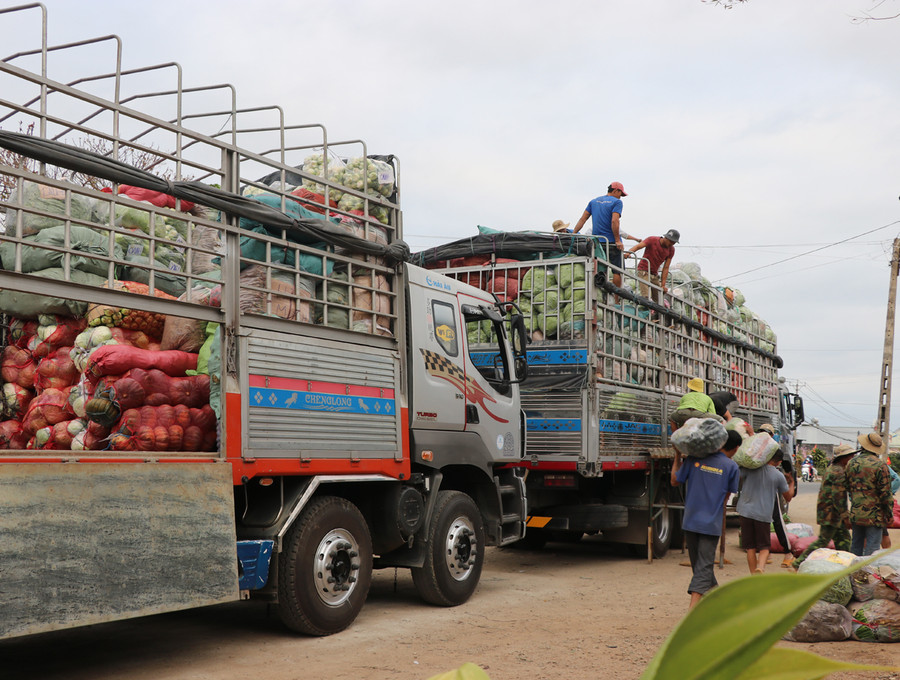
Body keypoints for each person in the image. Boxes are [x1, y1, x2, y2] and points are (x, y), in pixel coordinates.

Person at [671, 420, 740, 609]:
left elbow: (674, 481)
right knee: (702, 567)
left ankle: (697, 608)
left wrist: (677, 457)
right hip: (711, 524)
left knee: (700, 566)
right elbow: (726, 499)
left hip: (691, 521)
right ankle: (709, 605)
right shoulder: (731, 467)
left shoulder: (693, 460)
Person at [792, 443, 855, 570]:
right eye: (851, 456)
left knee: (844, 541)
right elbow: (838, 497)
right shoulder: (838, 472)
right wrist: (845, 516)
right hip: (831, 513)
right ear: (844, 458)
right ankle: (799, 562)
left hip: (831, 512)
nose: (852, 459)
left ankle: (846, 566)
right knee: (823, 541)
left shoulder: (834, 468)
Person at [736, 449, 794, 574]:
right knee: (764, 547)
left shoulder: (751, 469)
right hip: (762, 514)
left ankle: (753, 575)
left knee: (750, 548)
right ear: (778, 462)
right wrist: (791, 482)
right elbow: (788, 497)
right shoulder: (778, 475)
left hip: (744, 512)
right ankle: (760, 568)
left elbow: (738, 476)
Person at [572, 181, 628, 289]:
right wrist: (617, 240)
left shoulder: (593, 201)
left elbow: (582, 219)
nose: (620, 197)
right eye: (620, 194)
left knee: (600, 269)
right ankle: (616, 301)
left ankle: (600, 297)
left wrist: (573, 235)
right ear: (616, 191)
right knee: (618, 271)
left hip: (597, 243)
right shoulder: (617, 202)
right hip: (611, 243)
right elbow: (615, 221)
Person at [846, 432, 894, 556]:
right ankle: (867, 574)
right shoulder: (880, 465)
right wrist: (889, 513)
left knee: (856, 546)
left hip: (856, 513)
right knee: (872, 550)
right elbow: (885, 493)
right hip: (875, 516)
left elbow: (847, 487)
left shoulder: (851, 463)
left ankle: (853, 574)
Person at [624, 229, 679, 306]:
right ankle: (645, 314)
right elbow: (638, 246)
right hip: (644, 271)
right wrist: (628, 252)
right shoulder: (652, 240)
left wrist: (663, 285)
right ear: (666, 238)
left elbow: (666, 267)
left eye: (674, 243)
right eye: (671, 242)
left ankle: (656, 316)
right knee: (646, 296)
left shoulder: (671, 250)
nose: (671, 244)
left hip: (654, 274)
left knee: (659, 300)